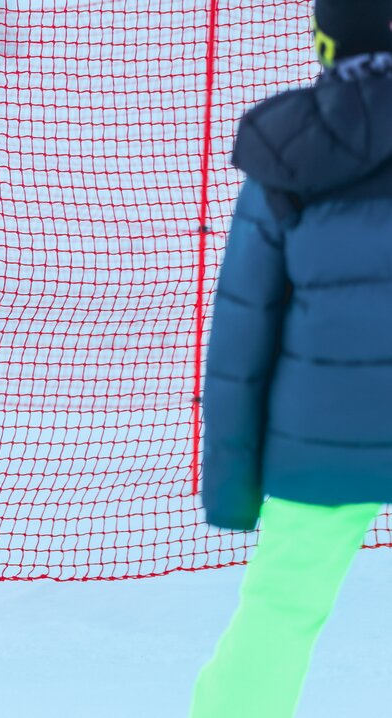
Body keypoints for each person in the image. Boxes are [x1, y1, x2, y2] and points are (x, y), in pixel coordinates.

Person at [192, 1, 392, 714]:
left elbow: (243, 334)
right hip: (322, 433)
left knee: (282, 610)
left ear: (326, 42)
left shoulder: (289, 146)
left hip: (322, 436)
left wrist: (232, 486)